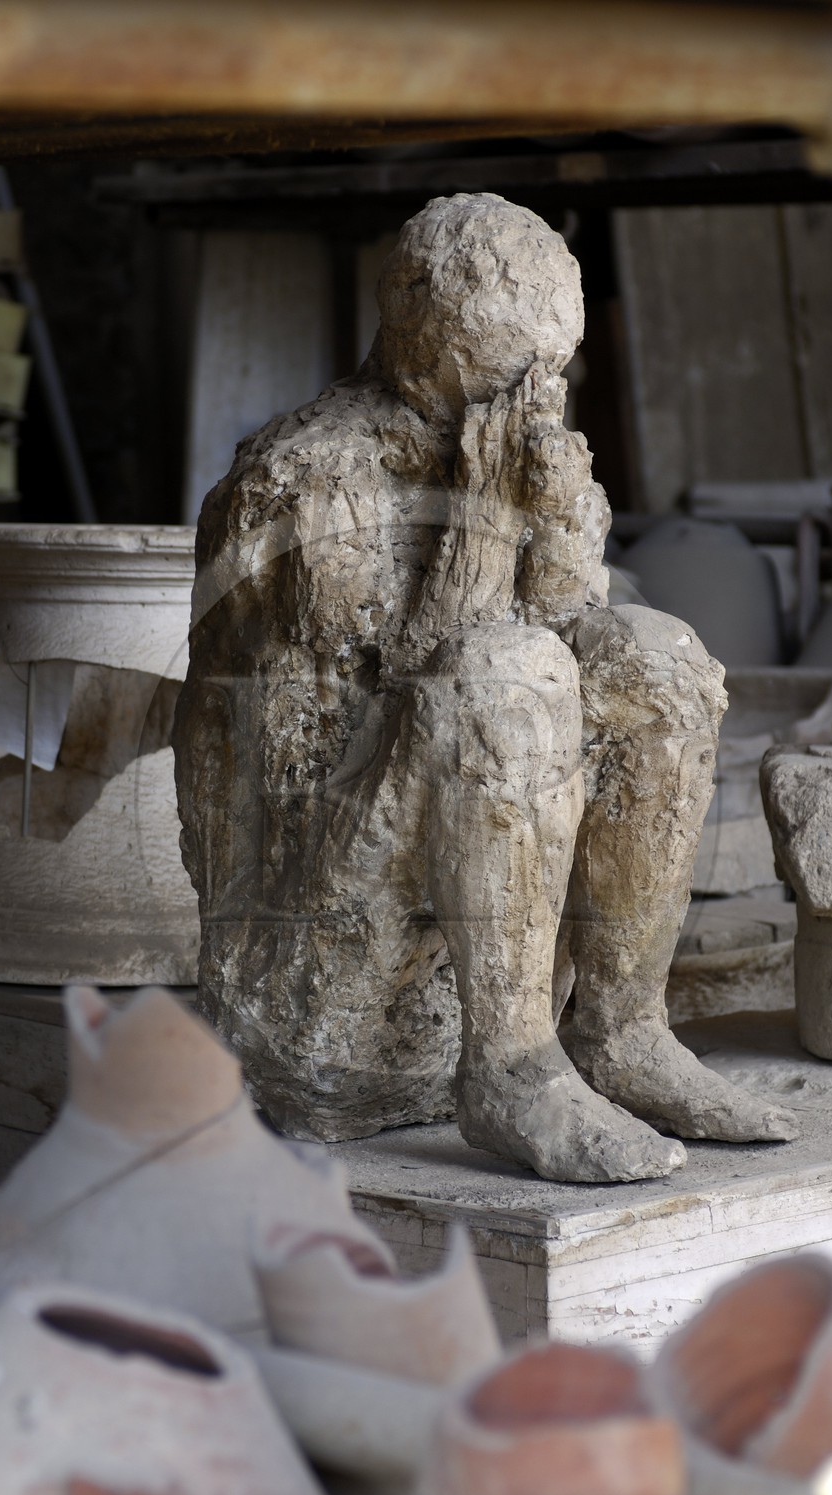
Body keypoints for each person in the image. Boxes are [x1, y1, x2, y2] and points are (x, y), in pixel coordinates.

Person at [175, 192, 795, 1182]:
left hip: (461, 869)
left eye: (553, 369)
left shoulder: (506, 450)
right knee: (508, 673)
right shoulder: (303, 476)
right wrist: (485, 525)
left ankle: (620, 1029)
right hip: (318, 935)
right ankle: (507, 1067)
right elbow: (391, 704)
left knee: (658, 655)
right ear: (416, 319)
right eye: (512, 371)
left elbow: (574, 650)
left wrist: (555, 529)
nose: (536, 396)